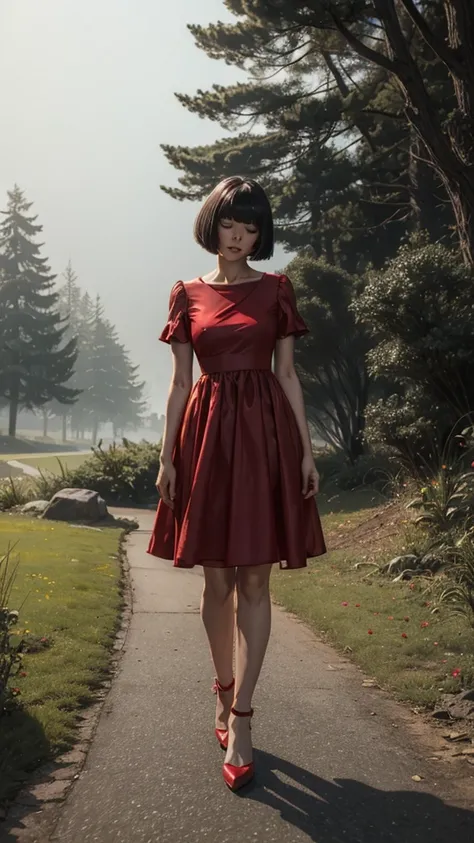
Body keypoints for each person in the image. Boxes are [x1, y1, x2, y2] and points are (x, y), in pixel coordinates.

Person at [148, 176, 326, 791]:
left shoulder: (277, 289)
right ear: (212, 223)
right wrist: (167, 457)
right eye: (230, 224)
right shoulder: (187, 293)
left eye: (251, 228)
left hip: (265, 437)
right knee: (215, 578)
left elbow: (288, 374)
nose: (239, 237)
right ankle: (221, 691)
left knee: (255, 577)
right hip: (205, 438)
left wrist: (306, 452)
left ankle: (243, 715)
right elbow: (177, 383)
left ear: (261, 234)